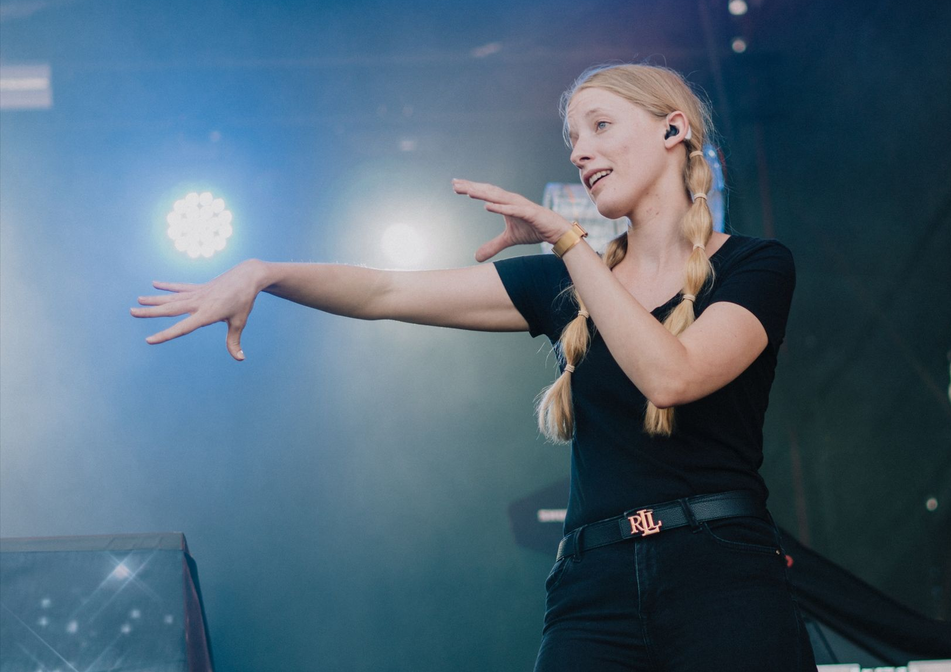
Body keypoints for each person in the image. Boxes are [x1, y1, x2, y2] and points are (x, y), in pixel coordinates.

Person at [132, 63, 816, 671]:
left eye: (601, 125)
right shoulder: (567, 279)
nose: (582, 151)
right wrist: (266, 271)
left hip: (724, 574)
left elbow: (672, 376)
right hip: (594, 583)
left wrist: (568, 241)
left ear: (674, 131)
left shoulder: (755, 265)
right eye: (574, 138)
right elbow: (385, 292)